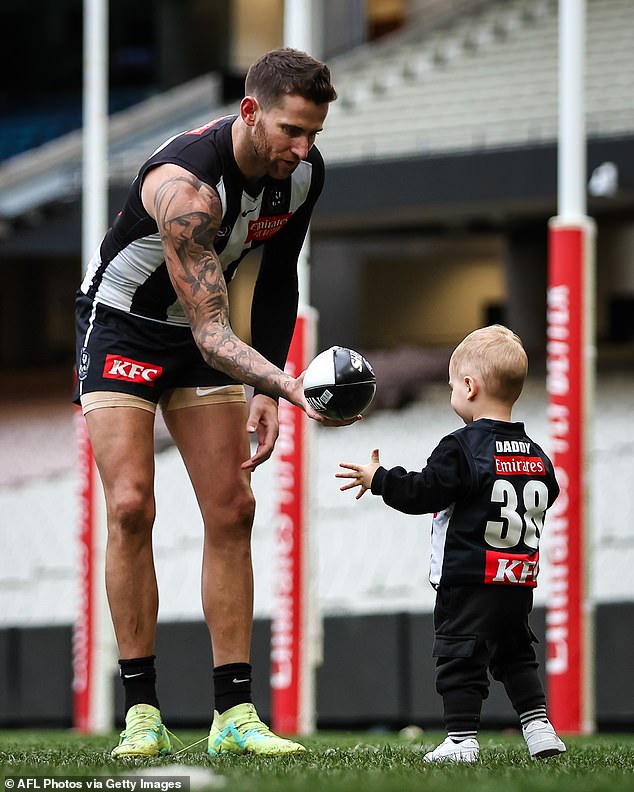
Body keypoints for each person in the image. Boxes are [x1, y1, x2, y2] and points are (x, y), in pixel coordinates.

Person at [74, 48, 349, 758]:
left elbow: (282, 275)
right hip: (127, 324)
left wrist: (269, 385)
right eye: (292, 130)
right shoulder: (185, 185)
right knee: (132, 503)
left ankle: (234, 714)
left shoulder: (303, 175)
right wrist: (289, 385)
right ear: (250, 112)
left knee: (234, 507)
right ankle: (141, 711)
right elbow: (213, 329)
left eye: (315, 132)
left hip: (206, 332)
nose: (304, 146)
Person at [336, 325, 566, 763]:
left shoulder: (460, 447)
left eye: (450, 386)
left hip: (468, 576)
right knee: (516, 655)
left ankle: (461, 740)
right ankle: (539, 729)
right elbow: (548, 491)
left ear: (469, 386)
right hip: (517, 579)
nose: (450, 394)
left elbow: (424, 493)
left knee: (459, 656)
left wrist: (379, 479)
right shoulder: (536, 451)